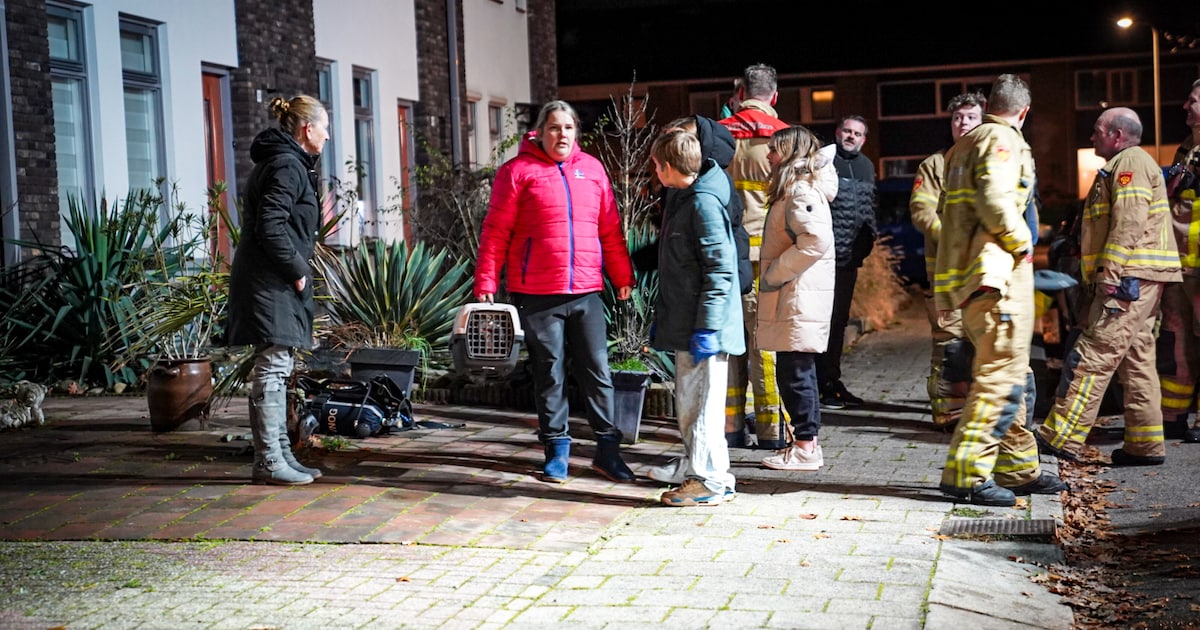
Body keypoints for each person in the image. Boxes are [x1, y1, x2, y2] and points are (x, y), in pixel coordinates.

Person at [474, 100, 638, 484]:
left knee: (598, 372)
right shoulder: (517, 172)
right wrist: (485, 282)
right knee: (550, 374)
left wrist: (622, 276)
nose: (561, 134)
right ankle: (556, 451)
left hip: (586, 291)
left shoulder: (593, 170)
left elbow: (610, 231)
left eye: (568, 127)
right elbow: (495, 231)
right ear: (540, 132)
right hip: (536, 293)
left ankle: (607, 452)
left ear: (576, 132)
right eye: (554, 128)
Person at [934, 74, 1065, 506]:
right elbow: (994, 197)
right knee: (1000, 380)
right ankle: (966, 475)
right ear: (1023, 112)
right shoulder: (1001, 140)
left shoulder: (963, 146)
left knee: (1003, 375)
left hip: (971, 280)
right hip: (996, 282)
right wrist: (1022, 242)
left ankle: (1016, 469)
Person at [1035, 107, 1182, 465]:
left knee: (1093, 354)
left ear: (1116, 135)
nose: (1091, 137)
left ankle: (1061, 437)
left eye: (1097, 131)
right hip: (1143, 279)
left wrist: (1110, 276)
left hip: (1127, 279)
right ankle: (1146, 445)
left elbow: (1127, 225)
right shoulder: (1130, 164)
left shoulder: (1129, 165)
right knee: (1136, 359)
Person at [638, 115, 751, 488]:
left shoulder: (702, 204)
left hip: (705, 328)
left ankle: (708, 481)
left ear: (668, 167)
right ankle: (699, 471)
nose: (654, 171)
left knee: (701, 406)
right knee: (691, 404)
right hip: (691, 322)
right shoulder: (690, 196)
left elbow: (719, 271)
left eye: (656, 164)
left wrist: (707, 327)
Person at [226, 94, 329, 486]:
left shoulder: (288, 163)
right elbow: (271, 225)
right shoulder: (287, 165)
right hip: (270, 280)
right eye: (325, 127)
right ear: (308, 129)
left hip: (273, 279)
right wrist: (298, 271)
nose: (328, 136)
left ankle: (280, 453)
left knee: (280, 364)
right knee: (272, 366)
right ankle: (268, 461)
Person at [718, 63, 796, 450]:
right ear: (775, 96)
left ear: (741, 92)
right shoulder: (786, 139)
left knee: (731, 340)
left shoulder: (721, 136)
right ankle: (770, 430)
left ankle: (731, 427)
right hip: (768, 256)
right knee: (764, 342)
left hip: (727, 254)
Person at [755, 125, 837, 471]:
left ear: (788, 153)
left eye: (775, 150)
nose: (769, 156)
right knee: (796, 370)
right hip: (798, 292)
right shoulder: (797, 188)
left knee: (795, 372)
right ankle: (804, 444)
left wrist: (775, 273)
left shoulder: (799, 190)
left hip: (797, 293)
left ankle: (805, 447)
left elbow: (815, 240)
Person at [910, 92, 987, 428]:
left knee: (985, 346)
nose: (963, 123)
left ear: (983, 121)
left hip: (987, 274)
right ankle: (949, 414)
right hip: (948, 275)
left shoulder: (994, 159)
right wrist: (954, 241)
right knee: (950, 345)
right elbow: (921, 210)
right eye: (957, 118)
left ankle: (982, 414)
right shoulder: (935, 165)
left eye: (970, 117)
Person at [817, 115, 877, 410]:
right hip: (823, 259)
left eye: (858, 133)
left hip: (849, 260)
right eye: (847, 131)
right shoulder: (825, 161)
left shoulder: (867, 166)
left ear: (864, 139)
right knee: (823, 323)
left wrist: (870, 241)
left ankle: (831, 380)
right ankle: (819, 384)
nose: (851, 136)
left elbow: (869, 208)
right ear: (837, 132)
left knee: (839, 322)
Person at [1158, 78, 1200, 442]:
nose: (1185, 107)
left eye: (1193, 101)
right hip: (1181, 262)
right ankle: (1174, 414)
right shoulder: (1186, 149)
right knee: (1178, 339)